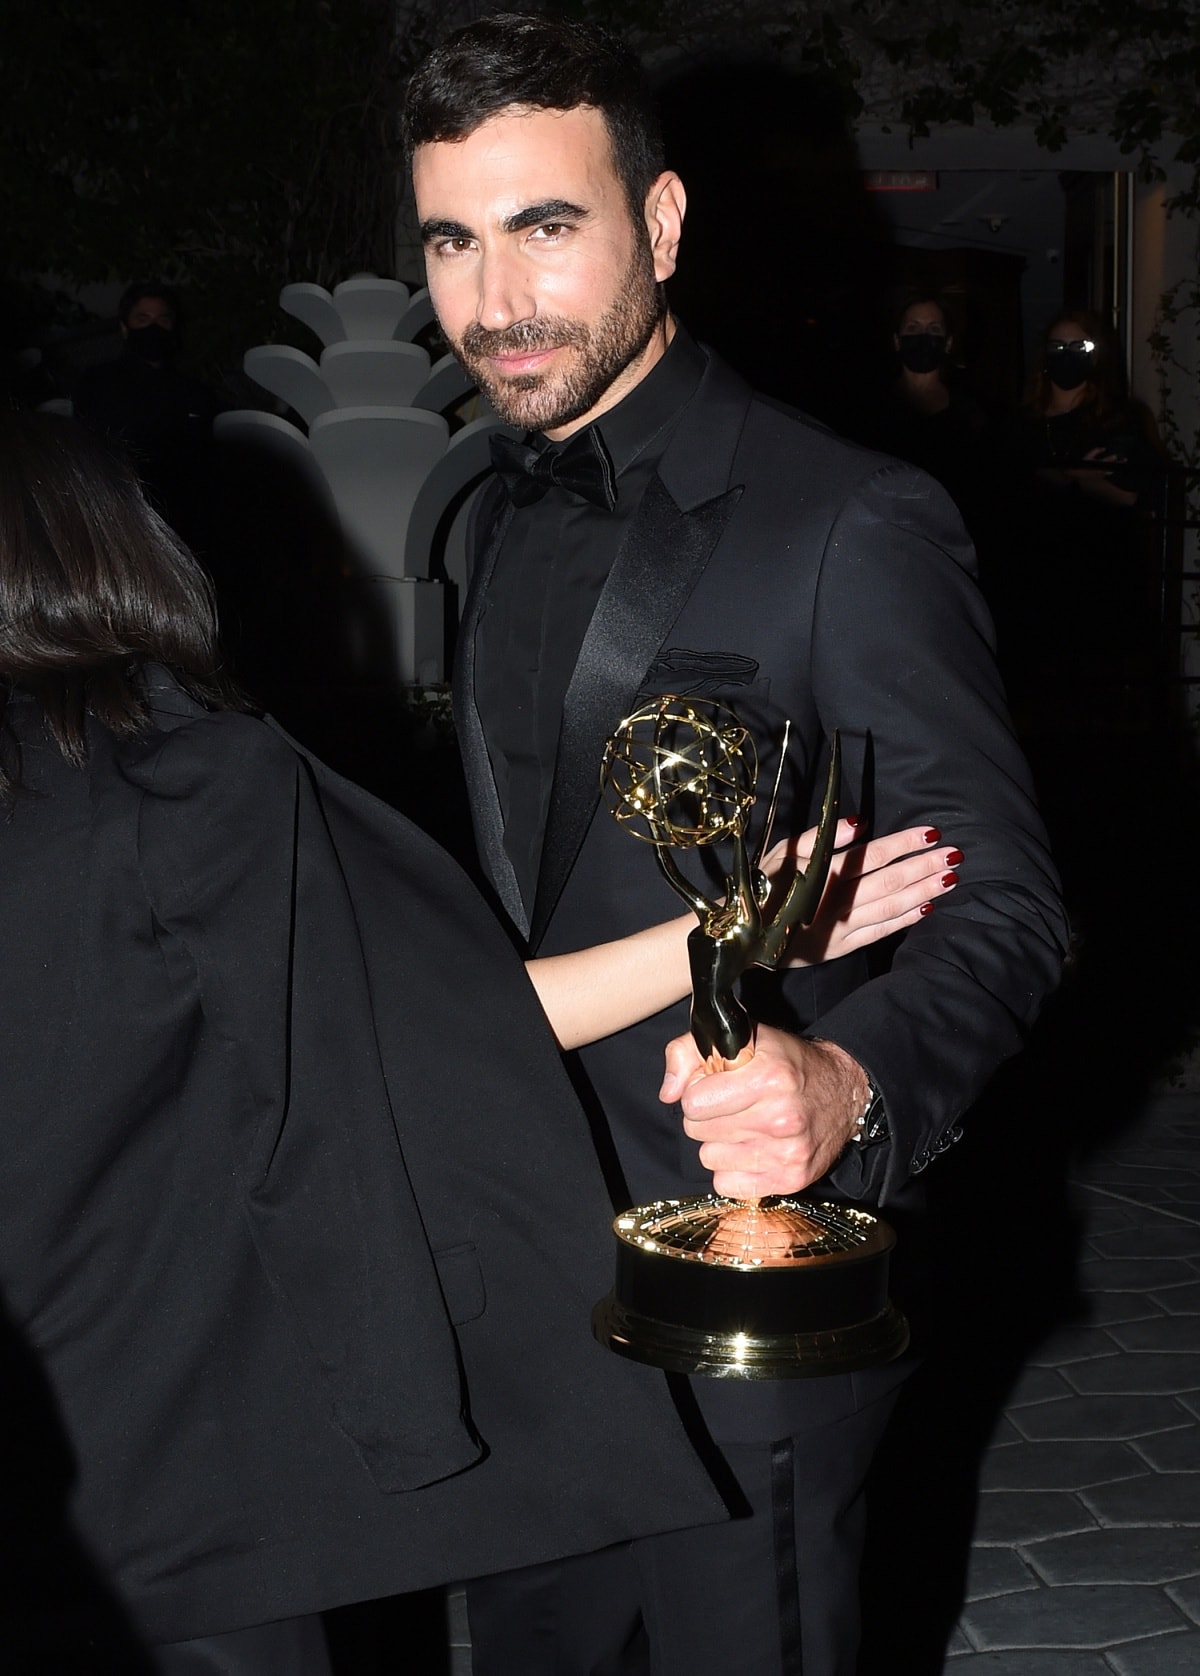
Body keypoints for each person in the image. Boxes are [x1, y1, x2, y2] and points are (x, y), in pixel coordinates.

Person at [0, 414, 945, 1673]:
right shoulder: (183, 779)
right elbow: (408, 1035)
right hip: (165, 1457)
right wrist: (740, 925)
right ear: (115, 549)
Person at [403, 15, 1067, 1675]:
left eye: (549, 225)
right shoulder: (480, 516)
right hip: (508, 1282)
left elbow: (1013, 903)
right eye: (454, 241)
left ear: (665, 223)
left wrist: (852, 1089)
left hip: (745, 1291)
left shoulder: (850, 520)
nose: (497, 299)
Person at [992, 308, 1167, 732]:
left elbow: (1130, 493)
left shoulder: (1120, 420)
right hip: (1030, 590)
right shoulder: (1021, 424)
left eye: (1079, 347)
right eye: (1057, 346)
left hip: (1097, 590)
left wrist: (1063, 480)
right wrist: (1073, 477)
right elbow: (1004, 490)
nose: (1066, 355)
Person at [73, 280, 221, 554]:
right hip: (122, 521)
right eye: (143, 319)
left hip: (186, 528)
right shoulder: (98, 383)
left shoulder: (196, 393)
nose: (154, 327)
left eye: (162, 319)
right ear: (124, 327)